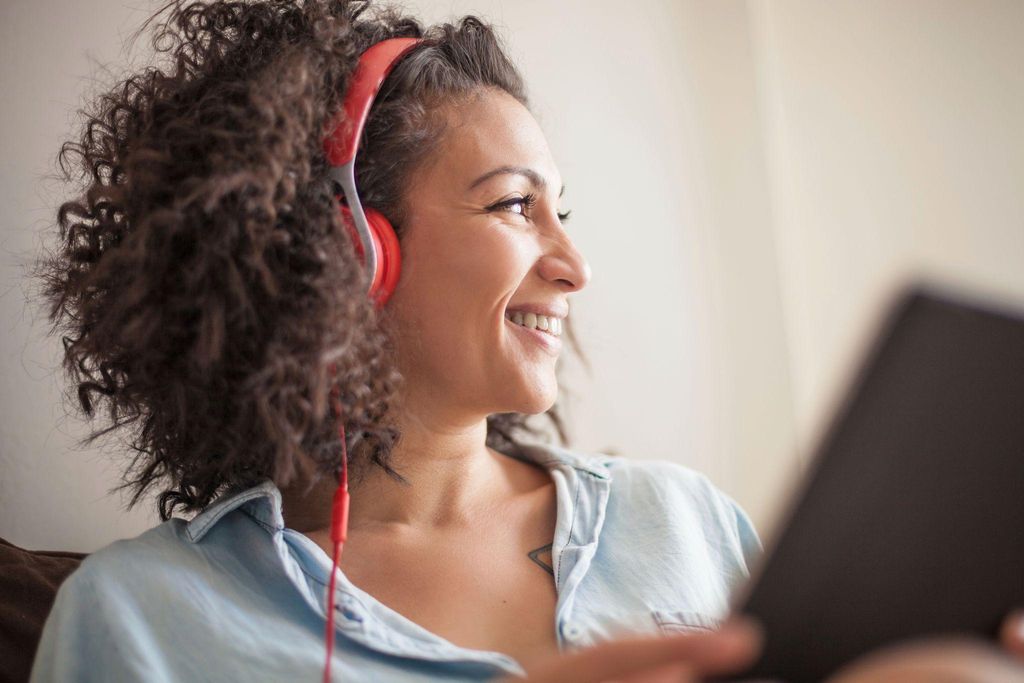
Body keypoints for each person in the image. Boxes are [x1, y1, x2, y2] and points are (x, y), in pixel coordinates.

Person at [27, 1, 1024, 681]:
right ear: (344, 248)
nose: (573, 266)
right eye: (514, 206)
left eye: (565, 213)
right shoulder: (140, 617)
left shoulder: (679, 519)